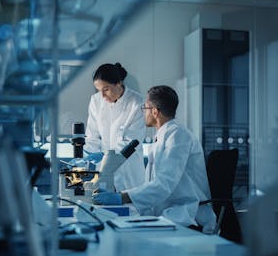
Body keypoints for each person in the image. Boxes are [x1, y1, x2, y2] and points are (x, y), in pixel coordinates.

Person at [93, 85, 217, 233]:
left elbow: (164, 184)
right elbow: (154, 185)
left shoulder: (178, 135)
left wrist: (122, 197)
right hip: (168, 212)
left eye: (144, 108)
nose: (143, 113)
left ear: (155, 111)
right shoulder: (163, 136)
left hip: (186, 215)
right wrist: (123, 197)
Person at [84, 63, 146, 191]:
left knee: (129, 207)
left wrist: (103, 155)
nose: (102, 96)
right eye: (98, 90)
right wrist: (86, 156)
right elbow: (92, 136)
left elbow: (131, 143)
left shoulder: (136, 103)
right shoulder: (96, 101)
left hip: (128, 172)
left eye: (106, 89)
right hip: (103, 171)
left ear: (119, 83)